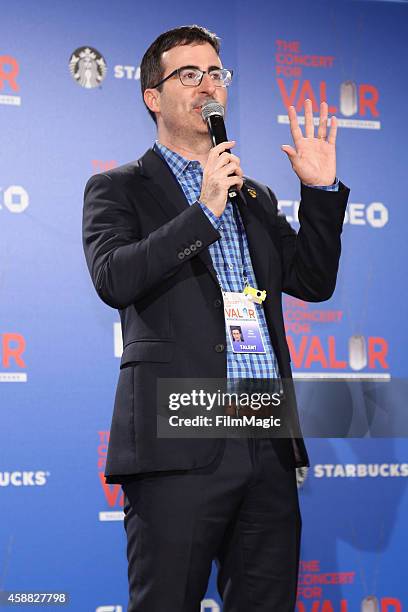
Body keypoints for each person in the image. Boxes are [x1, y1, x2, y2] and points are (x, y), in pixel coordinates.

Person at [82, 24, 350, 612]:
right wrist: (202, 211)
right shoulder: (119, 188)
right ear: (153, 96)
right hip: (179, 433)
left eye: (216, 74)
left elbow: (313, 281)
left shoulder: (253, 197)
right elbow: (114, 278)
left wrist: (321, 191)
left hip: (264, 431)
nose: (208, 86)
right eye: (189, 75)